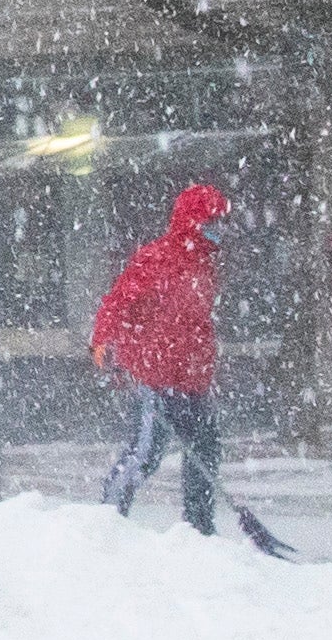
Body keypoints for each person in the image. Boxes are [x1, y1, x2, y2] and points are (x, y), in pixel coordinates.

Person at [90, 181, 234, 534]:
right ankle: (105, 524)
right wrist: (103, 343)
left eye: (220, 222)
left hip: (192, 381)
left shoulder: (205, 265)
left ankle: (199, 529)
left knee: (205, 454)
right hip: (155, 379)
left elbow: (196, 323)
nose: (218, 230)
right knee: (145, 454)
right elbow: (116, 303)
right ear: (193, 222)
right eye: (211, 222)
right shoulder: (156, 258)